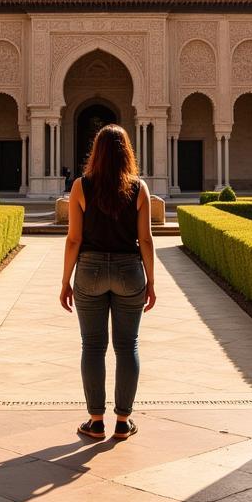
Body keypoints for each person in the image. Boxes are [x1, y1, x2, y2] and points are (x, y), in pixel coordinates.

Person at [60, 124, 156, 442]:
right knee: (128, 346)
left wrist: (65, 281)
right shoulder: (139, 188)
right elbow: (145, 238)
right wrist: (151, 281)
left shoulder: (80, 187)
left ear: (96, 154)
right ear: (127, 153)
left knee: (93, 346)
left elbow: (73, 239)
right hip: (130, 271)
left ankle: (96, 421)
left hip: (90, 270)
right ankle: (123, 422)